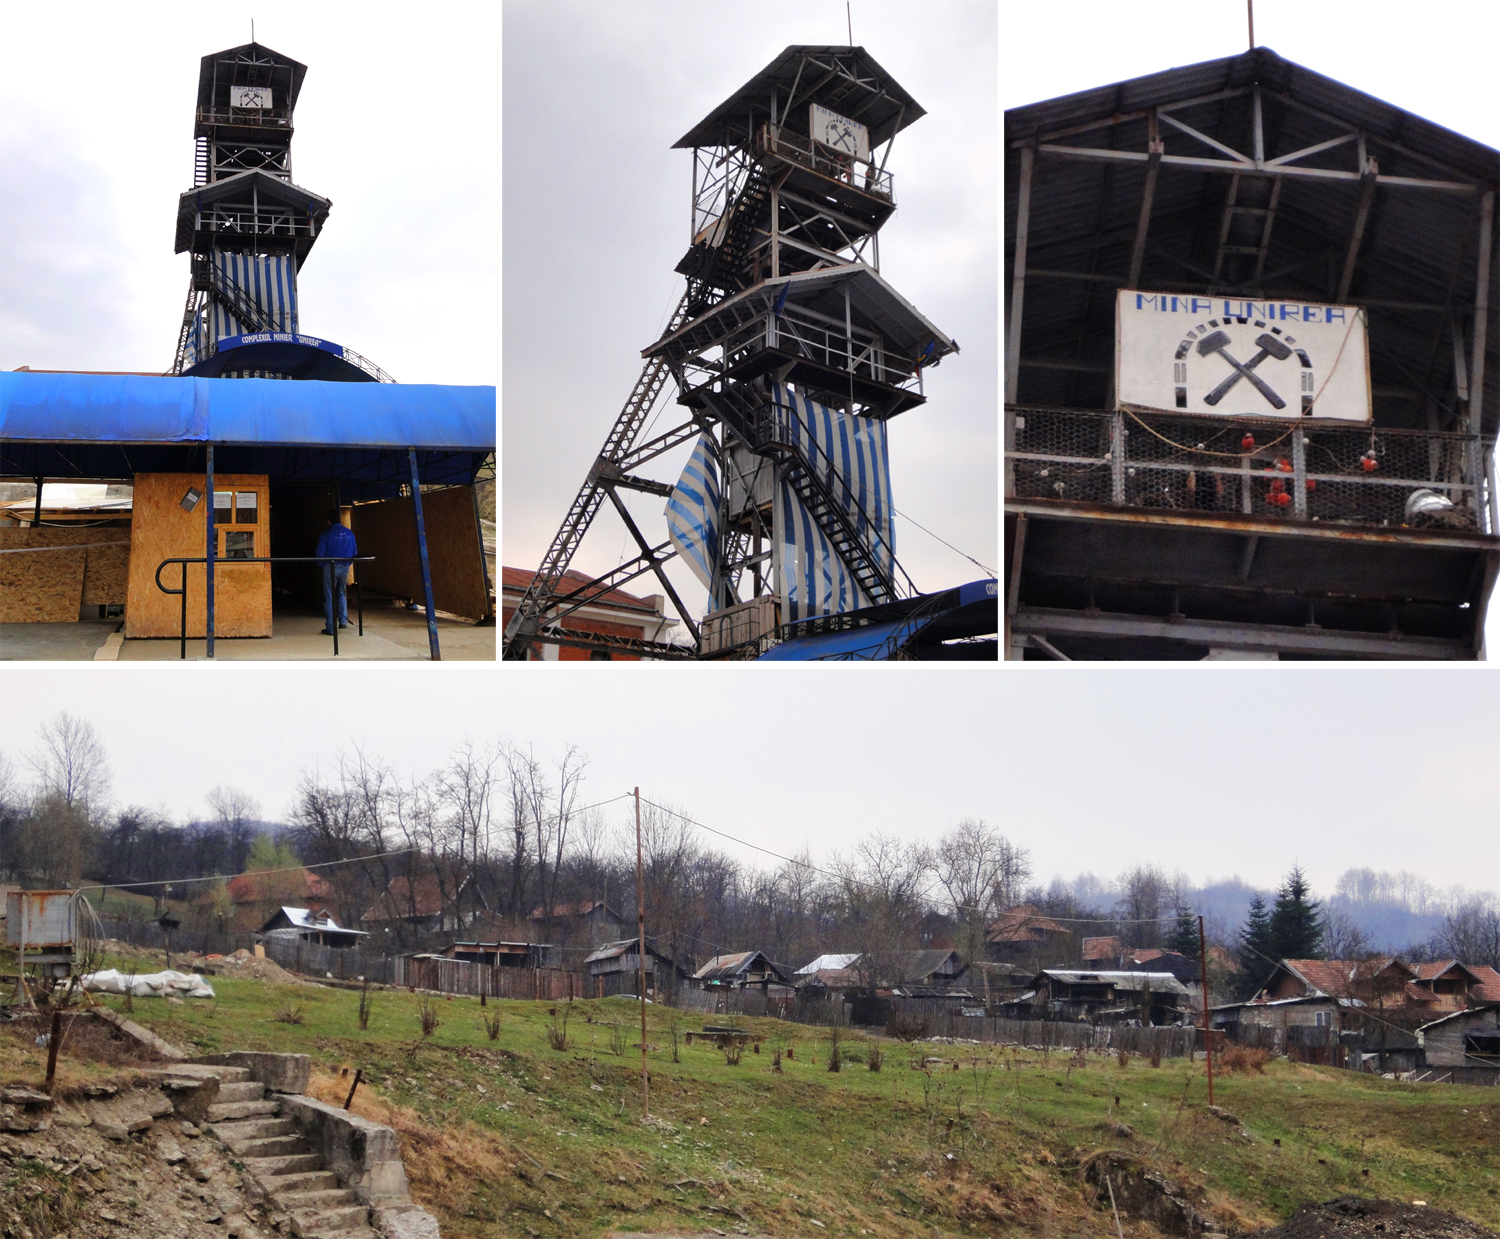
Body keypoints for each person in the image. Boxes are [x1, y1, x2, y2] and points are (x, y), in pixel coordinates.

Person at [315, 509, 357, 635]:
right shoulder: (349, 534)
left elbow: (320, 553)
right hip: (344, 567)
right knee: (341, 593)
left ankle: (330, 627)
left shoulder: (326, 534)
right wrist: (347, 564)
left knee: (329, 596)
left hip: (330, 566)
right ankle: (343, 620)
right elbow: (354, 552)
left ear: (329, 521)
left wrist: (322, 565)